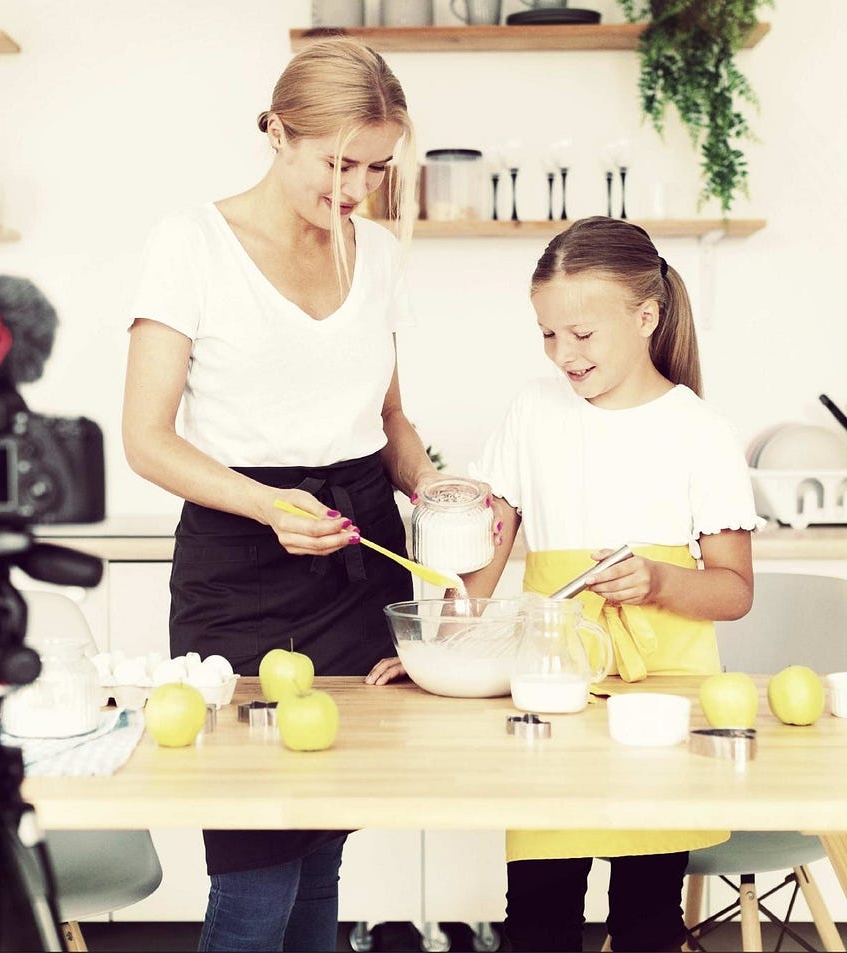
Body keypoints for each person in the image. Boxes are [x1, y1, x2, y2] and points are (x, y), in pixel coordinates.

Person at [122, 36, 470, 953]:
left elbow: (390, 416)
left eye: (376, 168)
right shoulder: (190, 243)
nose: (353, 188)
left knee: (322, 849)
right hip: (239, 561)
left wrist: (433, 488)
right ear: (279, 131)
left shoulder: (380, 251)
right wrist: (270, 506)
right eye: (337, 162)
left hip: (357, 554)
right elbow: (146, 439)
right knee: (253, 859)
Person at [369, 215, 760, 950]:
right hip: (550, 688)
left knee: (647, 919)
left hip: (658, 702)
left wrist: (658, 582)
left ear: (646, 316)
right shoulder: (533, 410)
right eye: (548, 335)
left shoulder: (699, 430)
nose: (563, 355)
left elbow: (734, 590)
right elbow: (486, 560)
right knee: (538, 917)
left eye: (581, 335)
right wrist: (441, 649)